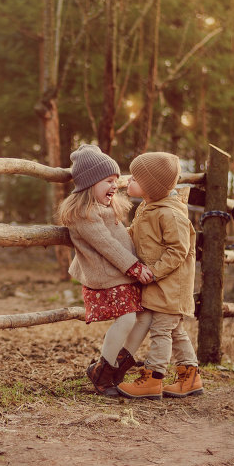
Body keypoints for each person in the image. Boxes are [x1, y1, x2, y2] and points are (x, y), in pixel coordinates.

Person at [57, 145, 154, 396]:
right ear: (90, 183)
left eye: (116, 180)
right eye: (108, 181)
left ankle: (116, 369)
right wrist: (134, 267)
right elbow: (106, 244)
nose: (115, 186)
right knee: (127, 319)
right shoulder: (82, 213)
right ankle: (103, 371)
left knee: (144, 318)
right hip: (107, 278)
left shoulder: (107, 206)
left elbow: (121, 237)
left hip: (122, 274)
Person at [119, 151, 204, 400]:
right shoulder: (149, 207)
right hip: (161, 285)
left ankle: (154, 378)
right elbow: (135, 234)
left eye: (135, 178)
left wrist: (153, 273)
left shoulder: (170, 214)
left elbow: (179, 250)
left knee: (161, 331)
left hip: (171, 286)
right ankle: (190, 377)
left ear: (151, 186)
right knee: (175, 331)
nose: (128, 181)